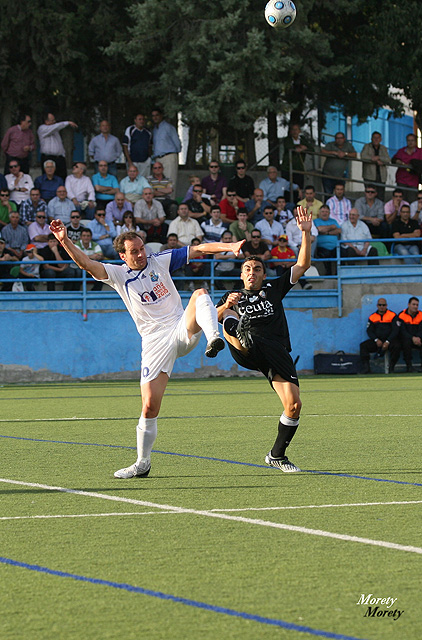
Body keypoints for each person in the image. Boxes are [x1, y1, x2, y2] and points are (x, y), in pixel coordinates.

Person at [49, 219, 245, 477]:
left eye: (142, 248)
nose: (141, 254)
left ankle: (212, 338)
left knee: (199, 294)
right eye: (134, 251)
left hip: (180, 327)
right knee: (150, 406)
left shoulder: (159, 260)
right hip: (154, 342)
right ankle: (142, 463)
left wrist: (229, 245)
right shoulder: (118, 275)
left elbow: (198, 249)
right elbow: (86, 263)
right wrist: (64, 240)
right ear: (123, 255)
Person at [216, 207, 313, 472]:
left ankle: (277, 455)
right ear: (241, 275)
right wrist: (225, 307)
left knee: (294, 405)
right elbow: (212, 314)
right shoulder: (233, 295)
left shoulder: (274, 289)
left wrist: (305, 234)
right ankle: (225, 338)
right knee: (227, 315)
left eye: (257, 269)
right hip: (245, 348)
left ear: (263, 275)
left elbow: (302, 265)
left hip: (275, 351)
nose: (251, 272)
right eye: (247, 268)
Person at [360, 298, 400, 374]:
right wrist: (376, 340)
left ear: (386, 305)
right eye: (380, 305)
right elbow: (369, 331)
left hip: (390, 341)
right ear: (377, 305)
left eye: (383, 305)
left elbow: (396, 330)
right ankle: (366, 368)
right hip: (378, 341)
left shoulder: (392, 315)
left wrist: (388, 341)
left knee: (397, 346)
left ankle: (391, 367)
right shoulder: (372, 317)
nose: (382, 306)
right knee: (363, 346)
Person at [37, 112, 78, 181]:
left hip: (59, 158)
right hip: (48, 157)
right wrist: (67, 123)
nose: (54, 122)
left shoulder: (55, 131)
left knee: (62, 178)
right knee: (49, 178)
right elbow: (55, 126)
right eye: (52, 120)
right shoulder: (42, 128)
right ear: (46, 121)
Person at [151, 108, 181, 195]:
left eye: (157, 115)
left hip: (168, 157)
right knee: (159, 182)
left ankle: (171, 204)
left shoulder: (168, 127)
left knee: (170, 182)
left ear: (161, 116)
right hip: (158, 159)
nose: (155, 117)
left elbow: (177, 144)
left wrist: (172, 154)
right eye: (153, 116)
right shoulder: (155, 130)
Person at [280, 123, 314, 190]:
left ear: (299, 131)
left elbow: (311, 149)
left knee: (299, 188)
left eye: (296, 129)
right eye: (293, 129)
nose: (295, 131)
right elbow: (289, 147)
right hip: (287, 168)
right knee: (287, 188)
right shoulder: (288, 139)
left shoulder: (303, 139)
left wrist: (304, 148)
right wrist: (299, 147)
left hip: (299, 168)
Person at [392, 133, 422, 203]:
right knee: (401, 201)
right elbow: (393, 159)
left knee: (412, 201)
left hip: (414, 180)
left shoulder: (420, 151)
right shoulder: (401, 151)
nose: (410, 142)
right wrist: (400, 162)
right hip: (401, 179)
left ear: (416, 141)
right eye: (409, 140)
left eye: (412, 140)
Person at [360, 131, 391, 200]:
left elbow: (388, 159)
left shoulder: (383, 148)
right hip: (369, 175)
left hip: (381, 176)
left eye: (378, 138)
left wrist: (379, 157)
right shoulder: (367, 146)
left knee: (380, 196)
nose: (376, 139)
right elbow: (363, 156)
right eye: (374, 138)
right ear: (371, 139)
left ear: (381, 139)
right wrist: (373, 159)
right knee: (369, 195)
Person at [397, 297, 422, 372]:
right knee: (406, 343)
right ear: (408, 305)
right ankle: (409, 366)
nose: (415, 307)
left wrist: (418, 338)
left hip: (418, 338)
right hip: (407, 339)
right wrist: (412, 338)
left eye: (417, 305)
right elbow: (402, 331)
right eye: (413, 304)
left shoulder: (421, 315)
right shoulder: (401, 315)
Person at [314, 204, 341, 275]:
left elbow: (339, 230)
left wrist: (327, 233)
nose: (324, 213)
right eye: (322, 211)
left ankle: (339, 274)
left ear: (329, 213)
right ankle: (329, 275)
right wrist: (332, 227)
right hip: (322, 247)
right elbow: (319, 229)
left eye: (326, 212)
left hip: (335, 247)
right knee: (326, 255)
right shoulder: (315, 221)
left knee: (343, 253)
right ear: (319, 213)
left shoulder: (333, 221)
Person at [122, 113, 151, 178]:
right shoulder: (130, 130)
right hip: (133, 161)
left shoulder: (148, 132)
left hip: (145, 161)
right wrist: (129, 161)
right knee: (133, 180)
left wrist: (149, 158)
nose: (141, 121)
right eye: (139, 119)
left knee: (144, 181)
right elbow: (125, 146)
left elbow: (150, 146)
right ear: (135, 120)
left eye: (143, 119)